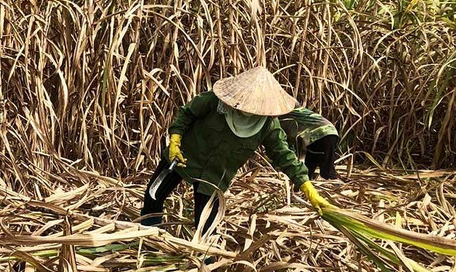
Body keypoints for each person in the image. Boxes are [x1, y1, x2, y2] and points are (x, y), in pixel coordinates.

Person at [141, 66, 332, 231]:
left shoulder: (267, 125)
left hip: (215, 176)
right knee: (153, 196)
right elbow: (187, 113)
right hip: (183, 156)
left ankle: (205, 260)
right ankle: (148, 239)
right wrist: (175, 141)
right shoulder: (215, 101)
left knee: (206, 226)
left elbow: (284, 155)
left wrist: (309, 189)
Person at [278, 107, 340, 180]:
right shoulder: (294, 109)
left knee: (327, 170)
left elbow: (290, 136)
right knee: (311, 167)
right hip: (329, 132)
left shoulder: (285, 113)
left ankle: (333, 182)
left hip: (322, 134)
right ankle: (307, 180)